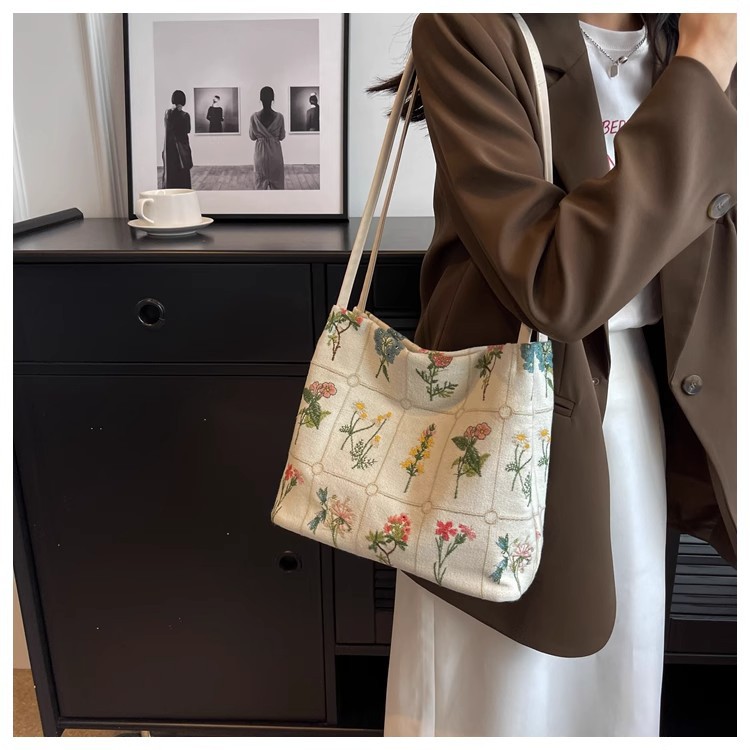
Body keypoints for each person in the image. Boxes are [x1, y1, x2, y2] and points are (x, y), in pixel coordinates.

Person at [365, 12, 737, 737]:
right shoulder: (472, 29)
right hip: (505, 422)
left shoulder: (689, 34)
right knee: (497, 702)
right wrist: (704, 64)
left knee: (614, 694)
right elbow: (555, 282)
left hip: (644, 419)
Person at [249, 85, 286, 189]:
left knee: (260, 186)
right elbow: (282, 136)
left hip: (260, 155)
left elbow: (252, 137)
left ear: (260, 99)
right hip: (275, 155)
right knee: (278, 187)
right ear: (273, 99)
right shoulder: (280, 117)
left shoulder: (254, 117)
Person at [161, 89, 193, 189]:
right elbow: (187, 130)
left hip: (169, 149)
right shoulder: (185, 115)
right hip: (181, 149)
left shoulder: (167, 114)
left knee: (171, 173)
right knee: (183, 175)